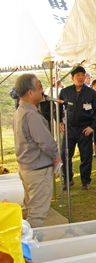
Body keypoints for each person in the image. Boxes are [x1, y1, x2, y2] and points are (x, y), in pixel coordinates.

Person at [13, 73, 61, 227]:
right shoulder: (30, 115)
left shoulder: (21, 111)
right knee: (37, 214)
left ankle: (26, 245)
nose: (42, 91)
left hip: (28, 168)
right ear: (30, 92)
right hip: (37, 170)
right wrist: (56, 156)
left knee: (29, 208)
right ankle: (29, 247)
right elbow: (45, 142)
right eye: (40, 87)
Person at [59, 66, 96, 190]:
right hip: (69, 129)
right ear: (72, 78)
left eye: (82, 75)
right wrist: (59, 122)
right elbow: (56, 108)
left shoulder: (91, 93)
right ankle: (68, 179)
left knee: (86, 156)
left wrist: (92, 127)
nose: (80, 78)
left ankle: (85, 181)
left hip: (85, 130)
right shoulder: (65, 92)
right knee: (65, 155)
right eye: (77, 75)